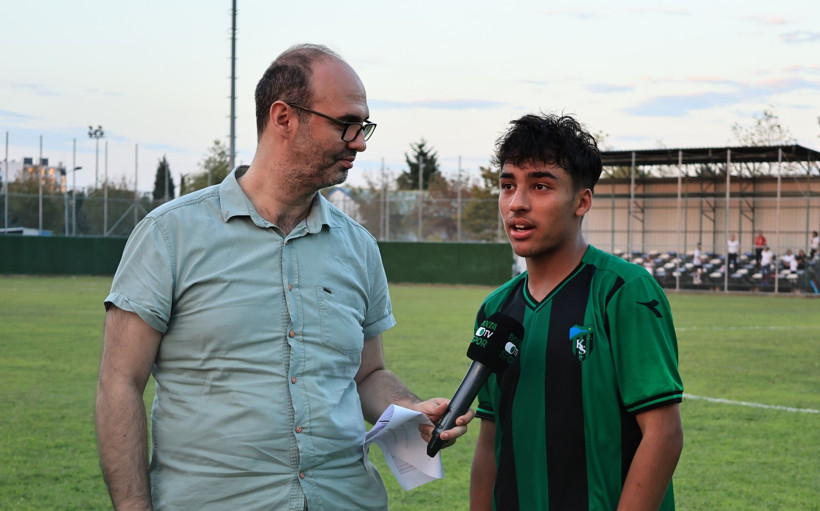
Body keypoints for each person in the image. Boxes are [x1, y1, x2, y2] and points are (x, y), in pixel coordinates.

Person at [95, 44, 473, 511]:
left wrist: (411, 408)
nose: (360, 141)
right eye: (346, 124)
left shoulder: (359, 247)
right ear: (283, 118)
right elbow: (120, 384)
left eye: (364, 126)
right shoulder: (168, 235)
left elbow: (367, 374)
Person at [469, 114, 683, 510]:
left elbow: (663, 435)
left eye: (540, 186)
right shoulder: (495, 309)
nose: (517, 202)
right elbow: (489, 440)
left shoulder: (623, 290)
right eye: (507, 185)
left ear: (582, 201)